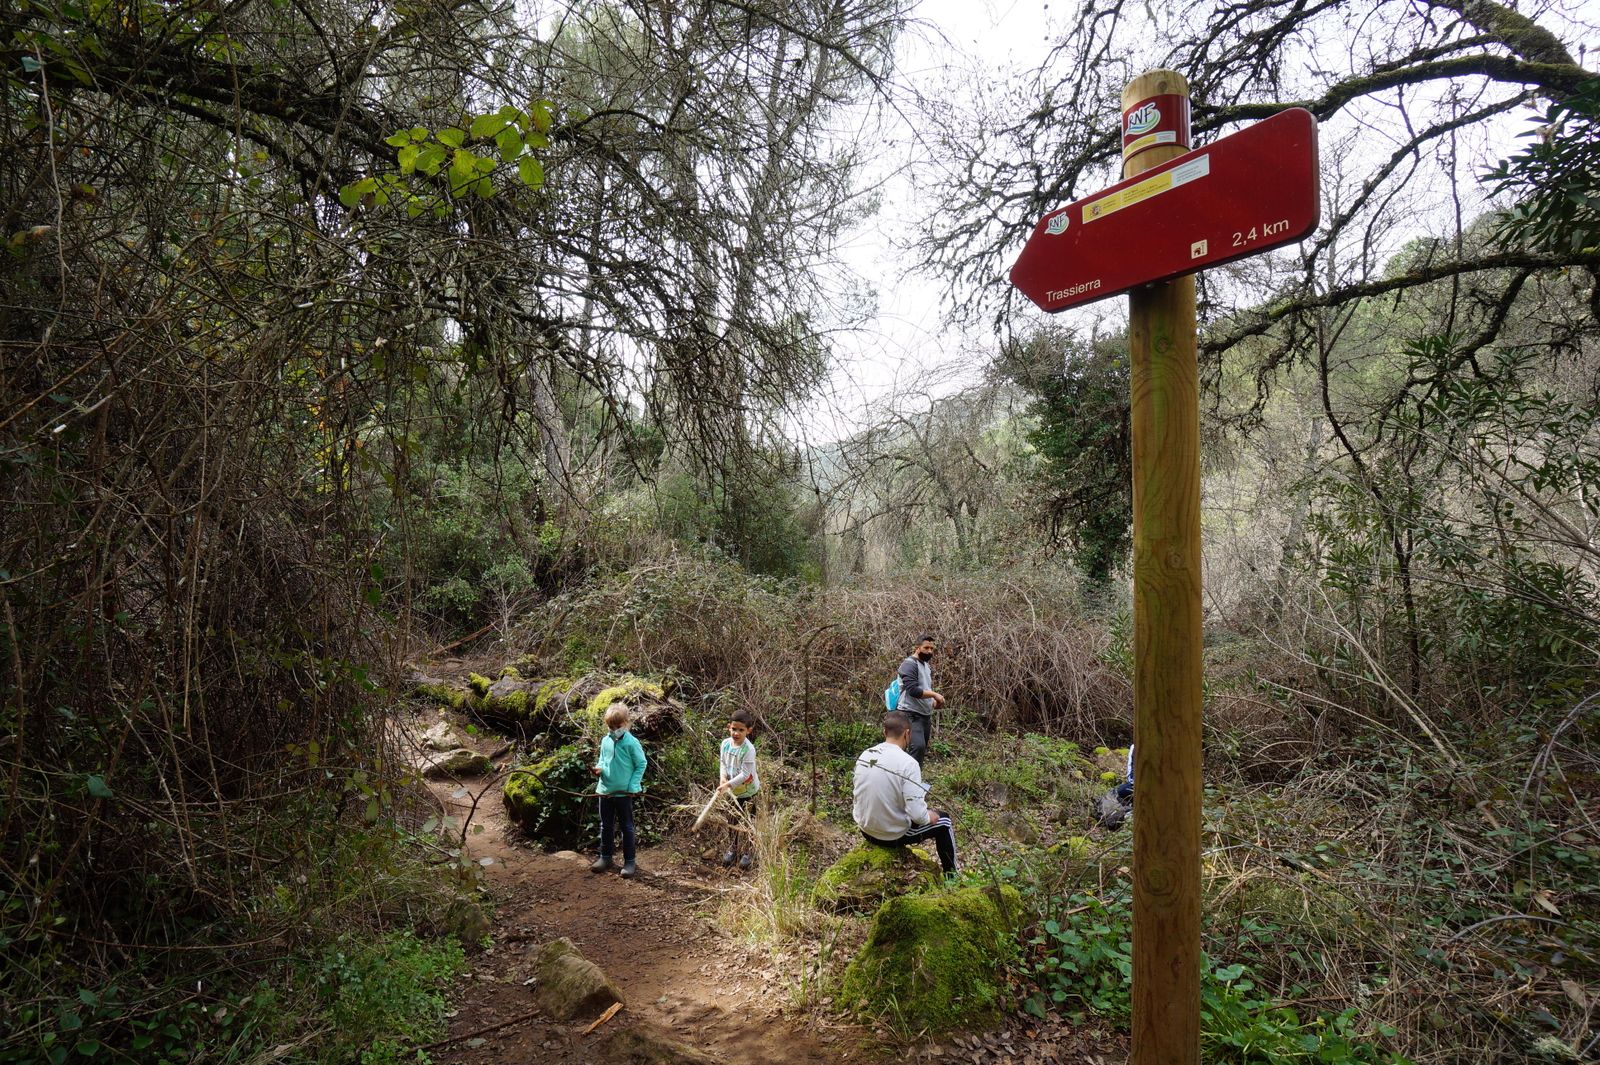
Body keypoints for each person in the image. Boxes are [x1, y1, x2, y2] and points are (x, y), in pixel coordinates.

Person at [852, 710, 957, 876]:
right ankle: (952, 876)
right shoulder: (909, 763)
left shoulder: (866, 755)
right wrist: (928, 815)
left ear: (885, 732)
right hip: (890, 835)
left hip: (865, 829)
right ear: (907, 734)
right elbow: (917, 815)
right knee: (944, 822)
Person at [590, 705, 647, 879]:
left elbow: (641, 764)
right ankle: (605, 857)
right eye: (611, 727)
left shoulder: (631, 742)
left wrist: (633, 786)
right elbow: (602, 759)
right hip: (605, 791)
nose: (614, 730)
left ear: (626, 723)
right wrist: (599, 769)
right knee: (605, 826)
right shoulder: (605, 741)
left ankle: (629, 861)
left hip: (624, 793)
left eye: (618, 727)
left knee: (626, 827)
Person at [716, 708, 761, 870]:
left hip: (748, 792)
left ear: (748, 731)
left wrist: (727, 784)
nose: (736, 733)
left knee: (749, 822)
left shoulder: (748, 749)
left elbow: (745, 774)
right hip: (733, 792)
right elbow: (723, 762)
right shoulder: (725, 744)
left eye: (741, 730)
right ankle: (733, 848)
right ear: (729, 727)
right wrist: (723, 778)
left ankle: (749, 851)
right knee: (732, 819)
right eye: (734, 729)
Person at [895, 635, 945, 765]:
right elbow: (913, 691)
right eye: (926, 648)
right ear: (917, 648)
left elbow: (924, 689)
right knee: (917, 747)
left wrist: (933, 703)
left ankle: (913, 779)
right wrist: (935, 695)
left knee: (920, 750)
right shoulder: (909, 664)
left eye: (932, 648)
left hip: (924, 716)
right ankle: (909, 781)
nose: (929, 651)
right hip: (909, 714)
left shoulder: (926, 666)